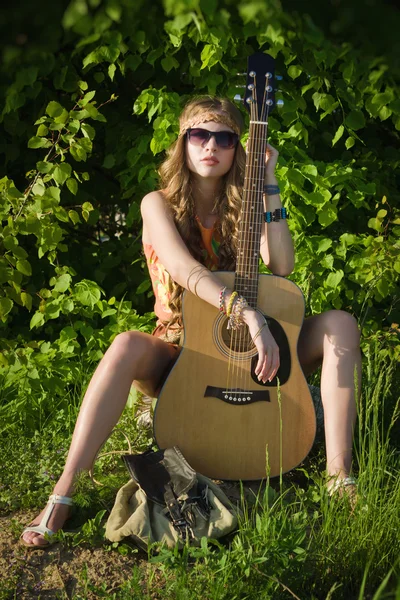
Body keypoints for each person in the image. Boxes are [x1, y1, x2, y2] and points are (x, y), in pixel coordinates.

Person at [21, 96, 361, 548]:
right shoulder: (156, 204)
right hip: (183, 351)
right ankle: (63, 492)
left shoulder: (245, 206)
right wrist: (247, 313)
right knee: (125, 343)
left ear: (238, 149)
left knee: (340, 324)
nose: (211, 146)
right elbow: (185, 271)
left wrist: (270, 183)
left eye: (224, 138)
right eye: (199, 134)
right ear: (182, 142)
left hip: (248, 348)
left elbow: (280, 264)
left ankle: (339, 476)